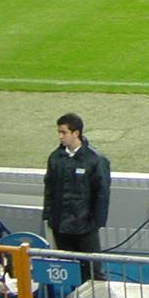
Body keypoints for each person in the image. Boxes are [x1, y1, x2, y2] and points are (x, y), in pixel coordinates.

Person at [43, 113, 111, 281]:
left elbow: (102, 194)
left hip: (85, 227)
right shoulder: (55, 158)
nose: (60, 136)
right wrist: (49, 217)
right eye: (59, 132)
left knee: (93, 271)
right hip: (60, 226)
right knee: (68, 270)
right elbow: (49, 189)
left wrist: (95, 222)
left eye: (64, 132)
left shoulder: (95, 159)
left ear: (76, 133)